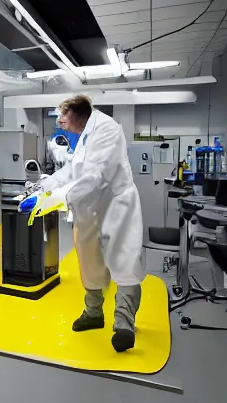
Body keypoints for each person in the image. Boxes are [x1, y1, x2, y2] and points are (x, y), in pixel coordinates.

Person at [28, 94, 146, 353]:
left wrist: (60, 197)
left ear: (80, 112)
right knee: (88, 259)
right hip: (90, 207)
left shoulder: (107, 129)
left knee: (124, 260)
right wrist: (45, 185)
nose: (59, 120)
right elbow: (72, 169)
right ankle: (94, 313)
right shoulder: (82, 135)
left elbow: (96, 176)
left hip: (115, 204)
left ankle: (124, 323)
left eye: (63, 114)